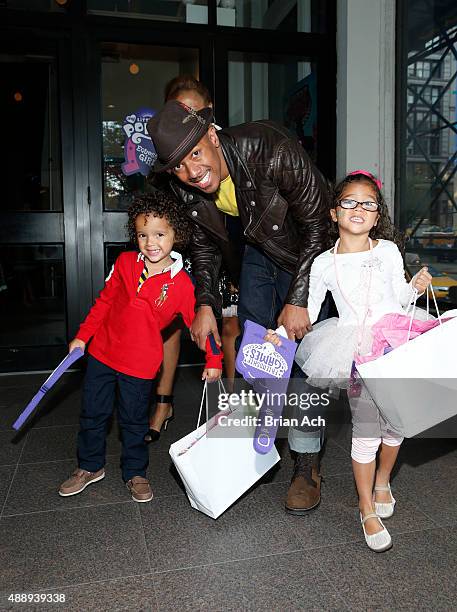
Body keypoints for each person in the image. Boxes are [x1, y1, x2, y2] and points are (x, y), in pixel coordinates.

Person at [146, 100, 330, 513]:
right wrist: (207, 303)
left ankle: (306, 465)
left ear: (212, 135)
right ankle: (257, 445)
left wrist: (298, 297)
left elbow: (320, 224)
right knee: (255, 353)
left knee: (302, 363)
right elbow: (206, 244)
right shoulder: (184, 181)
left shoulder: (271, 149)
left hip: (307, 254)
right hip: (260, 251)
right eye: (178, 166)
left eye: (195, 154)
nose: (191, 172)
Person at [266, 170, 432, 551]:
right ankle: (365, 507)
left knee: (397, 426)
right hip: (353, 347)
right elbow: (305, 310)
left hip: (394, 341)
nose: (359, 208)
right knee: (367, 427)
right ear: (334, 213)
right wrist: (281, 332)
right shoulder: (323, 263)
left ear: (377, 216)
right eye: (349, 201)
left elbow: (401, 298)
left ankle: (382, 481)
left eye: (368, 203)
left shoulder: (388, 251)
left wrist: (415, 289)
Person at [59, 191, 222, 502]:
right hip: (102, 355)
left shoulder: (183, 285)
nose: (151, 243)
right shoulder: (124, 264)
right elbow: (104, 303)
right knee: (93, 414)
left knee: (134, 421)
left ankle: (135, 472)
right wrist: (83, 337)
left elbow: (202, 327)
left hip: (140, 365)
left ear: (177, 234)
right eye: (143, 235)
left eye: (160, 234)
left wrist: (214, 358)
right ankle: (89, 466)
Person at [146, 75, 240, 443]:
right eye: (180, 111)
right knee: (167, 324)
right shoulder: (166, 160)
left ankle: (231, 405)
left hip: (218, 250)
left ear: (209, 113)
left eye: (195, 112)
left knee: (229, 327)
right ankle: (163, 402)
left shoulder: (220, 151)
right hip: (179, 250)